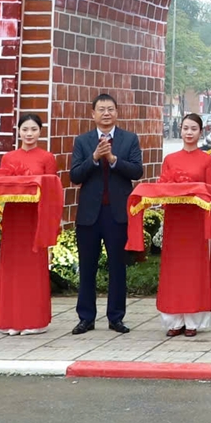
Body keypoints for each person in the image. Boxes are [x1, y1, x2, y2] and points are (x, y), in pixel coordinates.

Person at [0, 113, 64, 335]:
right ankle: (10, 320)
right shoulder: (9, 157)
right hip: (13, 217)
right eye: (25, 129)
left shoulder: (47, 157)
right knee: (11, 266)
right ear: (18, 131)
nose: (29, 134)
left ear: (40, 131)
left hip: (34, 218)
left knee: (33, 266)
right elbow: (0, 184)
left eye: (34, 130)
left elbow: (52, 189)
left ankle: (34, 321)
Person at [135, 115, 211, 337]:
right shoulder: (170, 159)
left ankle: (193, 320)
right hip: (175, 220)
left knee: (194, 268)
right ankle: (174, 320)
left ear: (200, 132)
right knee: (174, 268)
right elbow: (163, 188)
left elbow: (210, 192)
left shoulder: (206, 161)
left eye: (193, 129)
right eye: (185, 128)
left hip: (196, 221)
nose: (188, 132)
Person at [69, 93, 143, 335]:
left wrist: (112, 159)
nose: (106, 113)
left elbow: (137, 171)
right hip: (89, 215)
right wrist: (94, 158)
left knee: (117, 267)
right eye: (101, 109)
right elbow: (75, 176)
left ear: (117, 112)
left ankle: (116, 317)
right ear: (93, 114)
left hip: (117, 214)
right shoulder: (82, 141)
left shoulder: (129, 139)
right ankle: (86, 318)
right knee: (87, 266)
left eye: (110, 109)